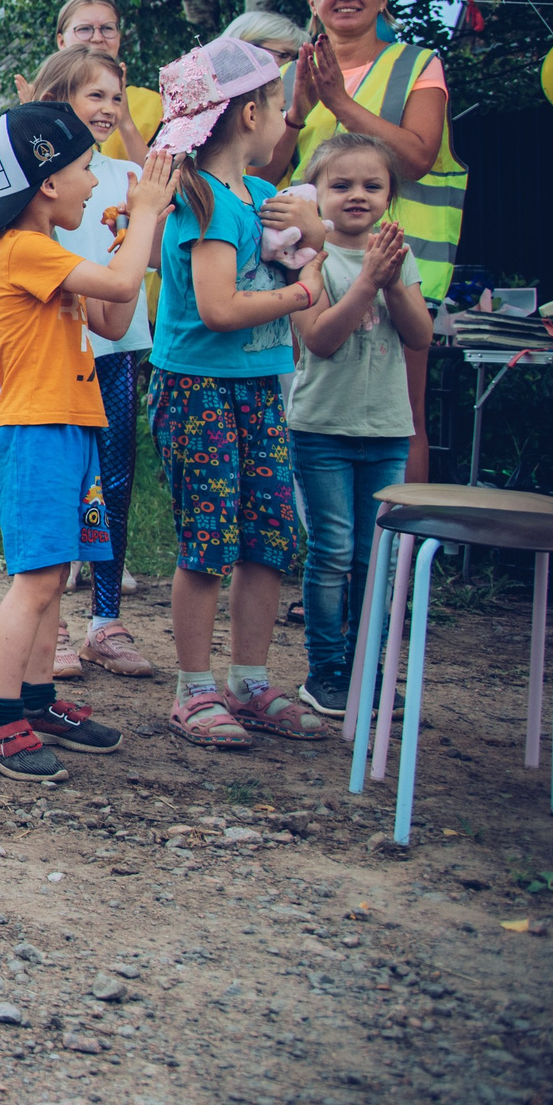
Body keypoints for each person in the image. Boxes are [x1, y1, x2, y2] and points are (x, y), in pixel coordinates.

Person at [0, 103, 175, 781]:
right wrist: (139, 215)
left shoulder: (54, 252)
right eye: (88, 168)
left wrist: (145, 230)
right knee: (34, 580)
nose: (97, 183)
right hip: (36, 435)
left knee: (56, 578)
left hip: (71, 430)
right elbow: (114, 286)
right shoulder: (22, 249)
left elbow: (115, 314)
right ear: (48, 181)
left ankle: (37, 702)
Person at [147, 38, 331, 749]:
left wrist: (314, 234)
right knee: (207, 539)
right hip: (200, 390)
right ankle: (194, 689)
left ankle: (250, 679)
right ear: (251, 112)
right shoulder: (204, 201)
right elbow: (219, 307)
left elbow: (318, 242)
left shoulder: (259, 197)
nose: (286, 118)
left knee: (266, 536)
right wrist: (299, 293)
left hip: (253, 390)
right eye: (282, 106)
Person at [270, 0, 465, 484]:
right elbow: (264, 173)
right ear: (313, 1)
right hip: (315, 267)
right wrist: (294, 116)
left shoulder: (418, 64)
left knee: (404, 414)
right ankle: (333, 547)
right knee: (316, 403)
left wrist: (340, 103)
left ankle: (400, 559)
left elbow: (420, 158)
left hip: (398, 263)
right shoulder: (291, 76)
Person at [285, 134, 431, 716]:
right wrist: (368, 281)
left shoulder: (400, 256)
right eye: (340, 185)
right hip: (322, 430)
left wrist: (391, 279)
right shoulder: (306, 258)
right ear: (314, 195)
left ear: (390, 196)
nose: (356, 196)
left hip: (387, 432)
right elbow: (318, 338)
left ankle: (367, 666)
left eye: (372, 185)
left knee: (375, 556)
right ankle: (326, 672)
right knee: (333, 551)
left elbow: (420, 335)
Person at [26, 49, 158, 678]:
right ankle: (45, 627)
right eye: (93, 96)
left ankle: (105, 621)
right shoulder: (38, 172)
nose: (108, 109)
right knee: (59, 487)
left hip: (116, 345)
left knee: (115, 482)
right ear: (58, 99)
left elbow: (146, 262)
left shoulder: (131, 174)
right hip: (55, 355)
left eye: (115, 96)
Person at [12, 0, 161, 165]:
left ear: (119, 36)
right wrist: (37, 123)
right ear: (61, 41)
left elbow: (161, 184)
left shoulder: (152, 104)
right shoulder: (42, 98)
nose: (97, 38)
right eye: (84, 29)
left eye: (107, 28)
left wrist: (125, 119)